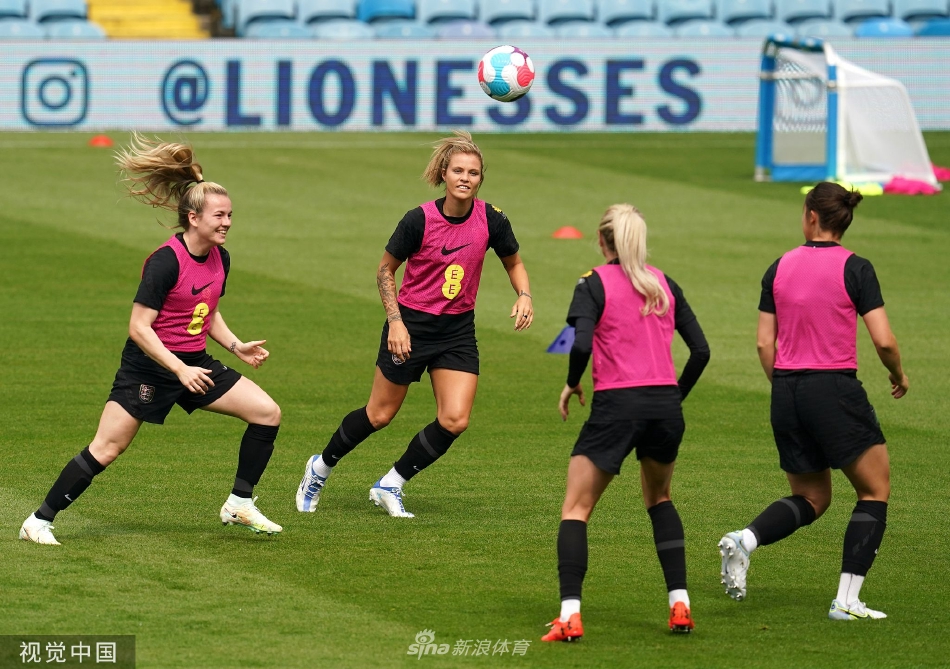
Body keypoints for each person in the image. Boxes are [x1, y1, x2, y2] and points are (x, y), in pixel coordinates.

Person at [19, 135, 283, 546]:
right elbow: (139, 327)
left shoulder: (220, 257)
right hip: (150, 367)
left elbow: (206, 309)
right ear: (193, 218)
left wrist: (236, 346)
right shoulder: (164, 262)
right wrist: (178, 369)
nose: (227, 222)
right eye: (219, 215)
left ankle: (239, 503)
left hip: (194, 364)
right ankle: (39, 521)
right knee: (107, 448)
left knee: (267, 413)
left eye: (230, 214)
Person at [296, 130, 532, 518]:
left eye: (473, 172)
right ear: (444, 173)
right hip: (411, 327)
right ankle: (319, 468)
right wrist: (395, 322)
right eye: (458, 170)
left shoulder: (492, 219)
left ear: (480, 178)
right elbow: (385, 270)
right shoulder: (418, 220)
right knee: (379, 415)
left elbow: (514, 262)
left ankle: (391, 483)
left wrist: (524, 294)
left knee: (455, 420)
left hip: (457, 331)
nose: (465, 178)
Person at [718, 182, 908, 620]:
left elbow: (764, 344)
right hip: (834, 389)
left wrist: (787, 388)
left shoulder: (779, 266)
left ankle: (745, 540)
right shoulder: (856, 268)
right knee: (874, 489)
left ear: (811, 216)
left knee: (811, 497)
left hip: (786, 389)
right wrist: (898, 374)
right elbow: (883, 340)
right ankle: (846, 602)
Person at [542, 204, 710, 641]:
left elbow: (580, 343)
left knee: (576, 509)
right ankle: (680, 605)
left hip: (617, 405)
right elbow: (701, 351)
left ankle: (570, 615)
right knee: (660, 500)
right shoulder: (664, 284)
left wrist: (572, 382)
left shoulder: (592, 283)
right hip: (665, 407)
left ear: (602, 241)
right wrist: (672, 398)